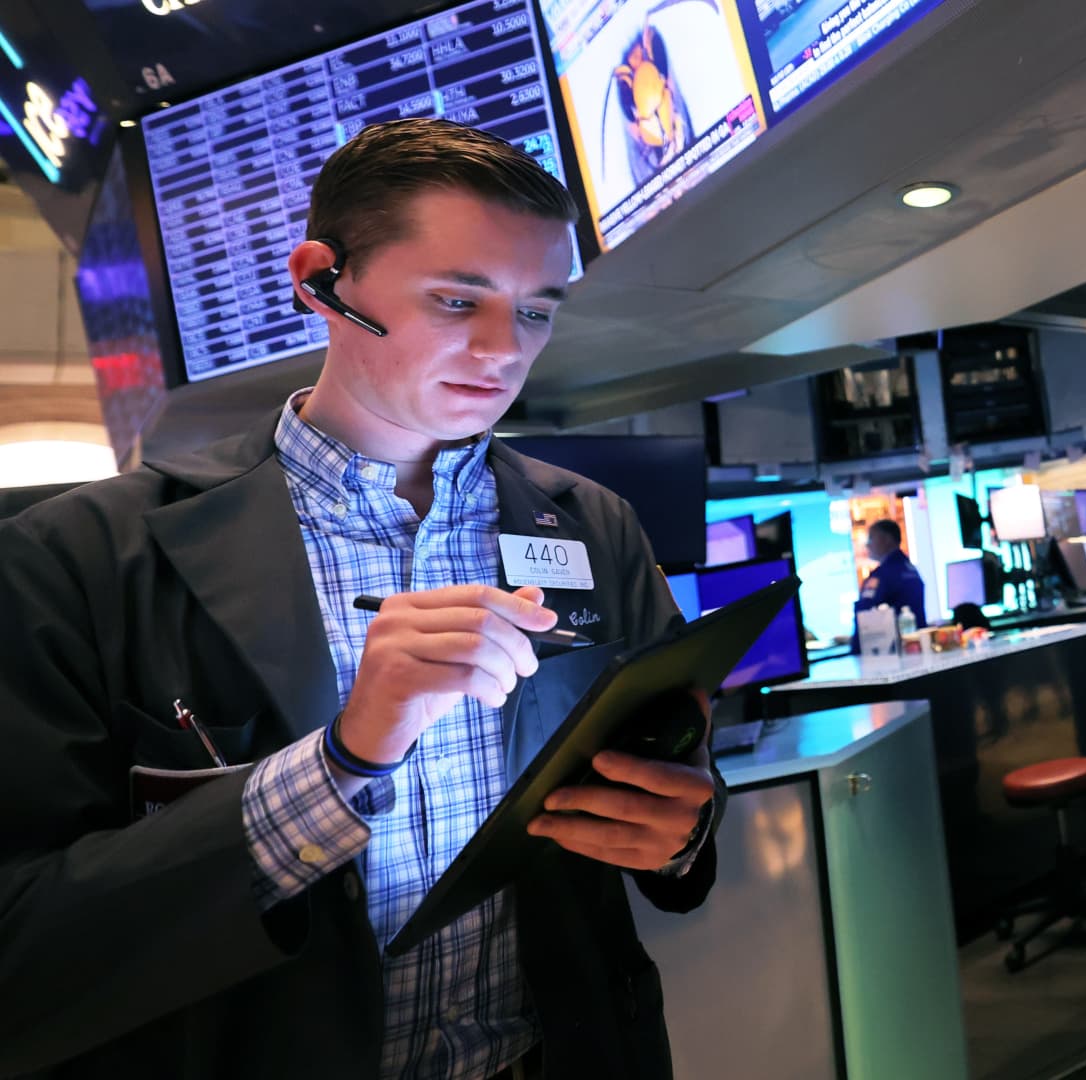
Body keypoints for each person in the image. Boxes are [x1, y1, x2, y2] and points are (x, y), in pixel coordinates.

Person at [0, 118, 722, 1079]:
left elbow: (674, 781)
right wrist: (342, 760)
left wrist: (679, 833)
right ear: (321, 282)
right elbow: (22, 947)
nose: (504, 350)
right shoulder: (76, 560)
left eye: (536, 311)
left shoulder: (595, 525)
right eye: (457, 300)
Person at [850, 518, 926, 649]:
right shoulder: (910, 569)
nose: (868, 545)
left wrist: (855, 650)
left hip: (889, 651)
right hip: (914, 646)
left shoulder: (882, 575)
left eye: (871, 538)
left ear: (887, 539)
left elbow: (864, 615)